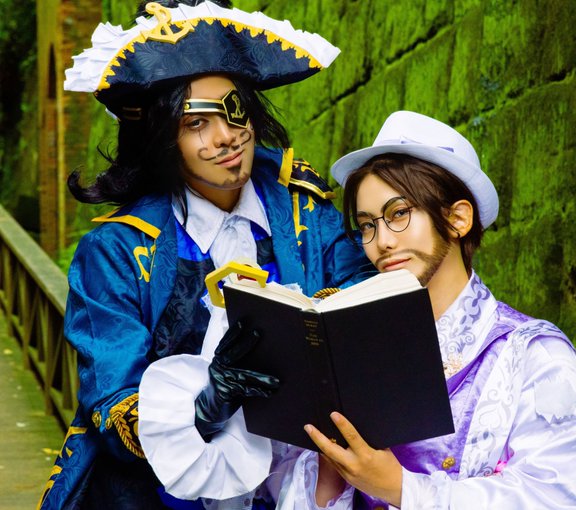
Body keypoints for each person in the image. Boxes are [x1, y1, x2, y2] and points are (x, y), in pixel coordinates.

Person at [38, 1, 368, 509]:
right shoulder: (116, 253)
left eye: (233, 110)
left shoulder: (306, 209)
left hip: (305, 483)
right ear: (161, 140)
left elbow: (361, 296)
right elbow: (112, 402)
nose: (225, 137)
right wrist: (207, 403)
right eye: (196, 124)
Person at [277, 111, 576, 509]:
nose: (381, 242)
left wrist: (400, 487)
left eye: (398, 214)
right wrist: (331, 469)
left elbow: (556, 498)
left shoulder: (534, 356)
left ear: (458, 218)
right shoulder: (361, 356)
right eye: (367, 225)